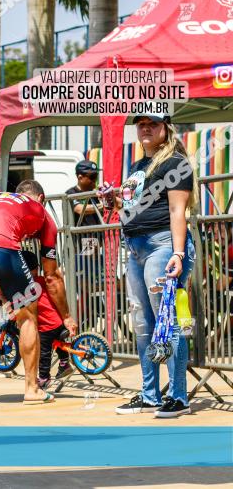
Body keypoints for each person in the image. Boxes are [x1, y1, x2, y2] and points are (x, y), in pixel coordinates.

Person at [101, 114, 196, 418]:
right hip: (137, 248)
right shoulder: (139, 166)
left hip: (164, 245)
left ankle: (178, 396)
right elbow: (133, 208)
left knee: (167, 321)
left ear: (165, 128)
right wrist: (113, 201)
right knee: (143, 325)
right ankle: (150, 394)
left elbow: (177, 210)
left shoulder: (175, 163)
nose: (144, 128)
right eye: (140, 124)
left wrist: (178, 254)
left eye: (152, 124)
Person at [0, 180, 76, 405]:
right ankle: (32, 389)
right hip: (1, 248)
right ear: (41, 199)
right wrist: (66, 315)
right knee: (27, 315)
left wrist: (1, 289)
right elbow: (51, 276)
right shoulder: (41, 212)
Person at [20, 250, 72, 388]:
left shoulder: (26, 287)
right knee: (57, 342)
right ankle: (64, 362)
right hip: (58, 321)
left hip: (47, 325)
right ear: (37, 267)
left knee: (44, 351)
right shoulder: (43, 280)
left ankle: (44, 377)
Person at [66, 160, 103, 227]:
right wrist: (103, 206)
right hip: (80, 237)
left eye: (96, 176)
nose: (95, 180)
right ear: (80, 177)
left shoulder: (95, 193)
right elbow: (80, 209)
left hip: (98, 236)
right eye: (92, 176)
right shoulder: (70, 193)